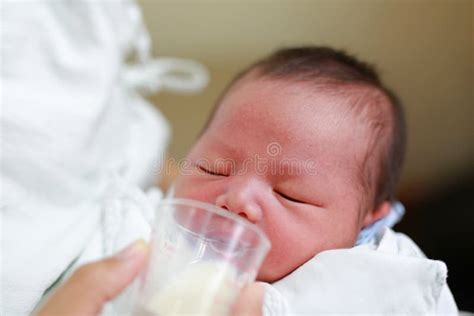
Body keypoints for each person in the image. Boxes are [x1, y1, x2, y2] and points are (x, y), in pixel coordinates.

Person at [170, 46, 458, 314]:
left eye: (289, 195)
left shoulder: (384, 277)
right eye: (213, 169)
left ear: (368, 220)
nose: (237, 199)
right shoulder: (151, 221)